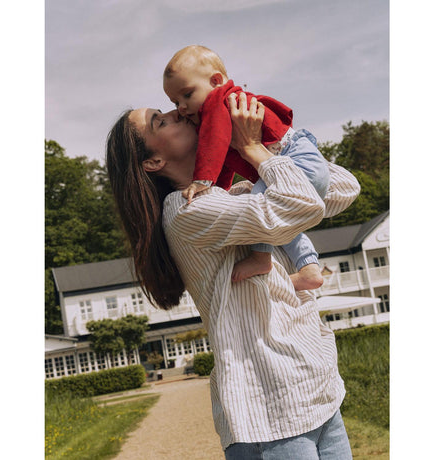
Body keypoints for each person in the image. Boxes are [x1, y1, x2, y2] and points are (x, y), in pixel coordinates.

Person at [106, 92, 360, 458]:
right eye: (160, 121)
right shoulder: (186, 212)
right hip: (270, 411)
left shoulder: (236, 194)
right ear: (154, 161)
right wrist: (253, 148)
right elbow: (301, 204)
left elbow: (343, 188)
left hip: (316, 390)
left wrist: (276, 139)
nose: (178, 112)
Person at [163, 45, 329, 290]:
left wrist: (201, 181)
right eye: (175, 101)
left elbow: (213, 144)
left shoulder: (219, 102)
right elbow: (224, 160)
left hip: (296, 159)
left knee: (259, 203)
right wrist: (218, 191)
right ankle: (309, 267)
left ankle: (261, 259)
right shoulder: (219, 110)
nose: (181, 107)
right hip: (299, 164)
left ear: (216, 81)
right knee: (278, 218)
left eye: (187, 95)